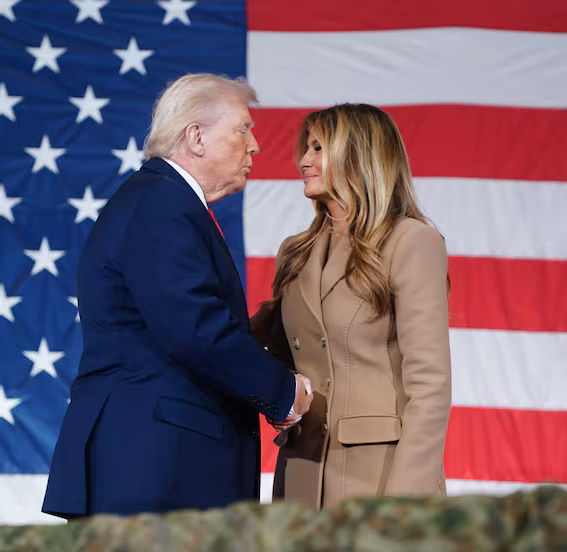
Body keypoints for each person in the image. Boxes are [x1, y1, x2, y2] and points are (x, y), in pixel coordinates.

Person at [42, 74, 313, 520]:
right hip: (152, 471)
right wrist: (282, 392)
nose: (255, 145)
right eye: (243, 128)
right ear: (197, 137)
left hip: (154, 466)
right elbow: (195, 329)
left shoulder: (164, 202)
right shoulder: (162, 206)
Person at [251, 103, 451, 509]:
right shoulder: (295, 252)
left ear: (359, 156)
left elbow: (430, 389)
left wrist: (403, 505)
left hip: (379, 478)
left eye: (318, 148)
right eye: (306, 148)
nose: (304, 161)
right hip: (299, 476)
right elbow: (266, 349)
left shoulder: (412, 242)